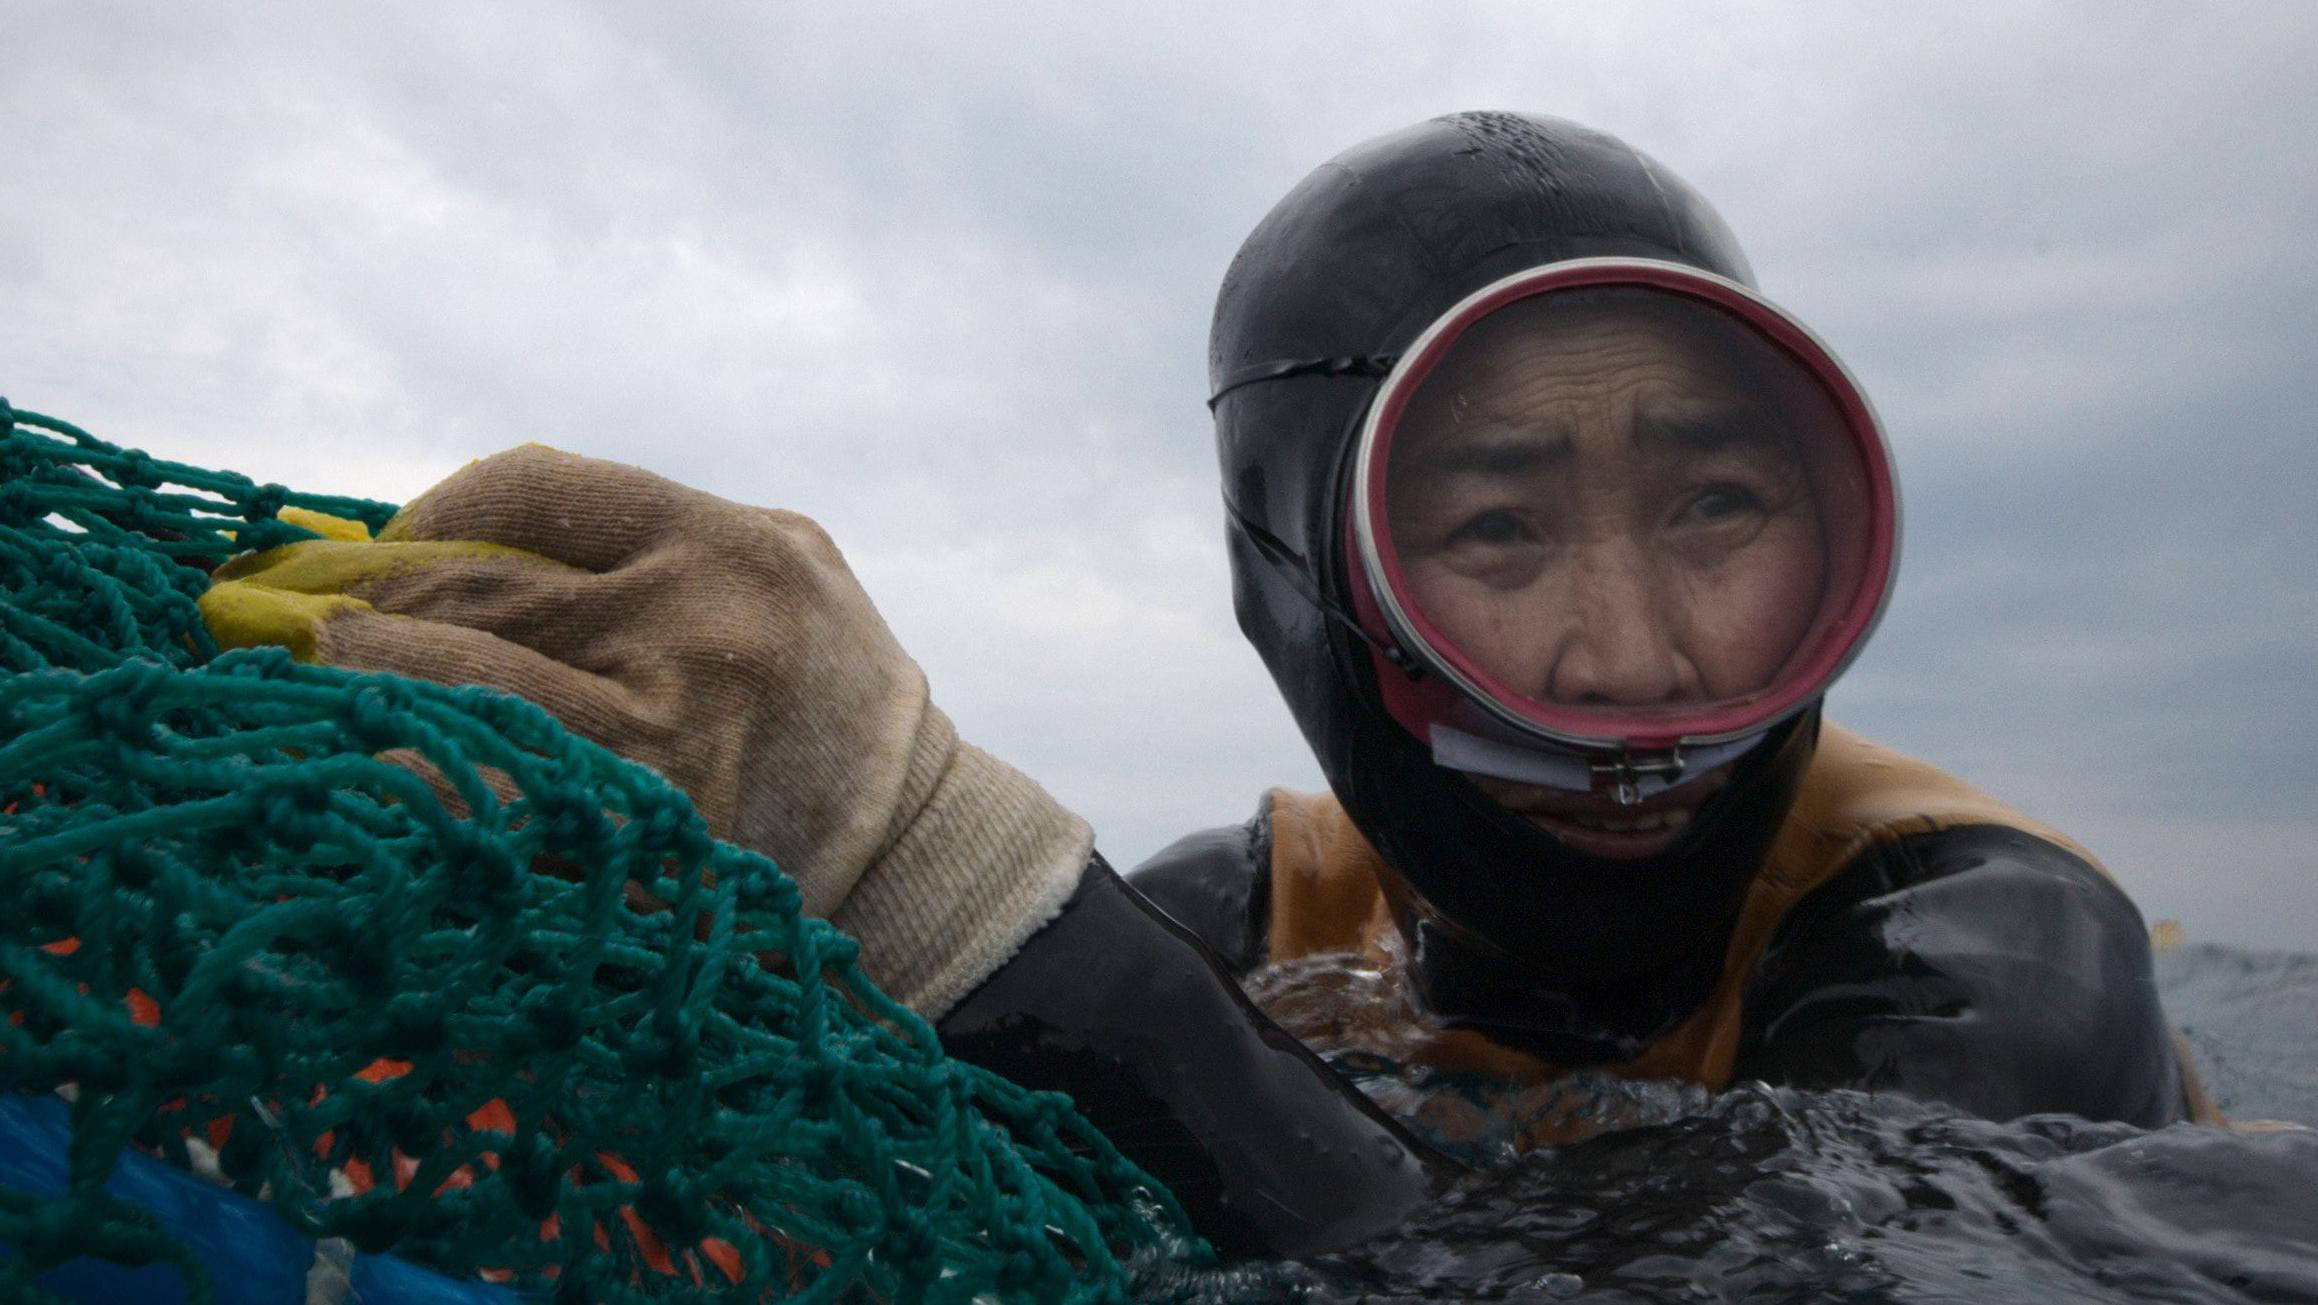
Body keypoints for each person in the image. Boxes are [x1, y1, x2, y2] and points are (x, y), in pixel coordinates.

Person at [201, 110, 2213, 1260]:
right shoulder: (1258, 909)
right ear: (1295, 579)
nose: (1643, 654)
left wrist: (974, 895)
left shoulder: (1987, 936)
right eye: (1499, 530)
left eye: (1715, 503)